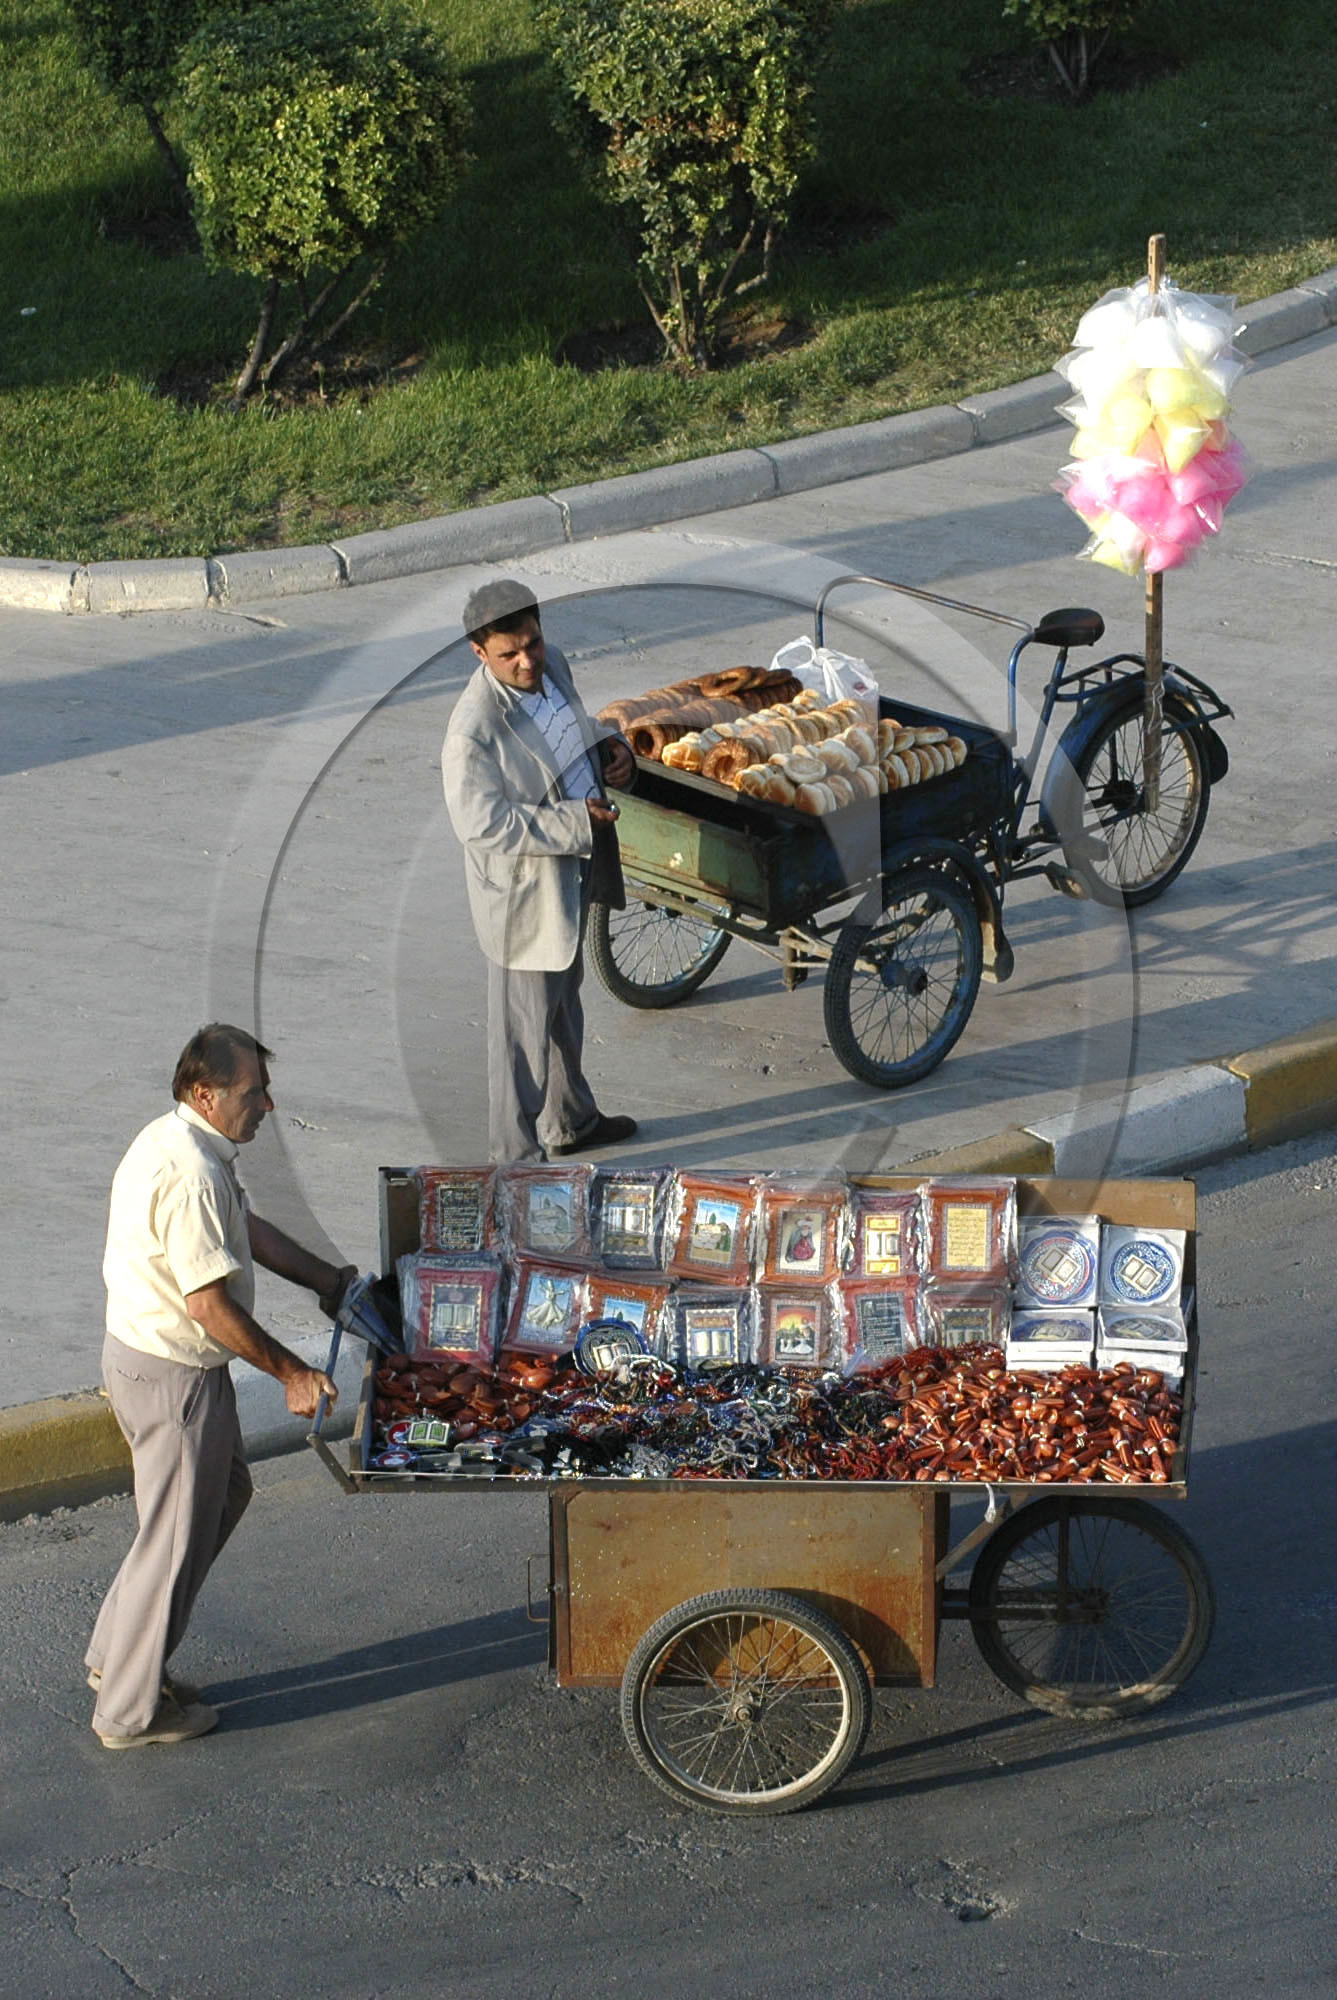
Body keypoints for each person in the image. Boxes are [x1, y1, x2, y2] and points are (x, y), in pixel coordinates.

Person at [88, 1024, 355, 1750]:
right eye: (252, 1092)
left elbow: (247, 1230)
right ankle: (127, 1711)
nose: (267, 1105)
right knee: (174, 1539)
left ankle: (118, 1659)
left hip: (157, 1364)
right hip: (173, 1377)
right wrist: (293, 1374)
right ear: (205, 1094)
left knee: (217, 1501)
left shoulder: (188, 1144)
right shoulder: (191, 1173)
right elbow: (208, 1305)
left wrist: (327, 1280)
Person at [442, 578, 638, 1163]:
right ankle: (518, 1164)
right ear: (480, 654)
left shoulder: (555, 670)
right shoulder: (472, 731)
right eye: (510, 653)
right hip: (527, 900)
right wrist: (575, 823)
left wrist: (611, 747)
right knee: (521, 1039)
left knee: (564, 1008)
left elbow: (575, 726)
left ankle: (570, 1119)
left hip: (573, 873)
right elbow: (483, 824)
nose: (527, 661)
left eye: (533, 643)